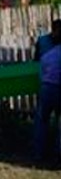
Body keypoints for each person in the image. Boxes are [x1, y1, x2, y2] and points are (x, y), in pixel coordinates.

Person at [33, 31, 61, 163]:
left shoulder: (47, 55)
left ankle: (39, 153)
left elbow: (40, 73)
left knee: (42, 121)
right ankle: (58, 154)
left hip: (46, 88)